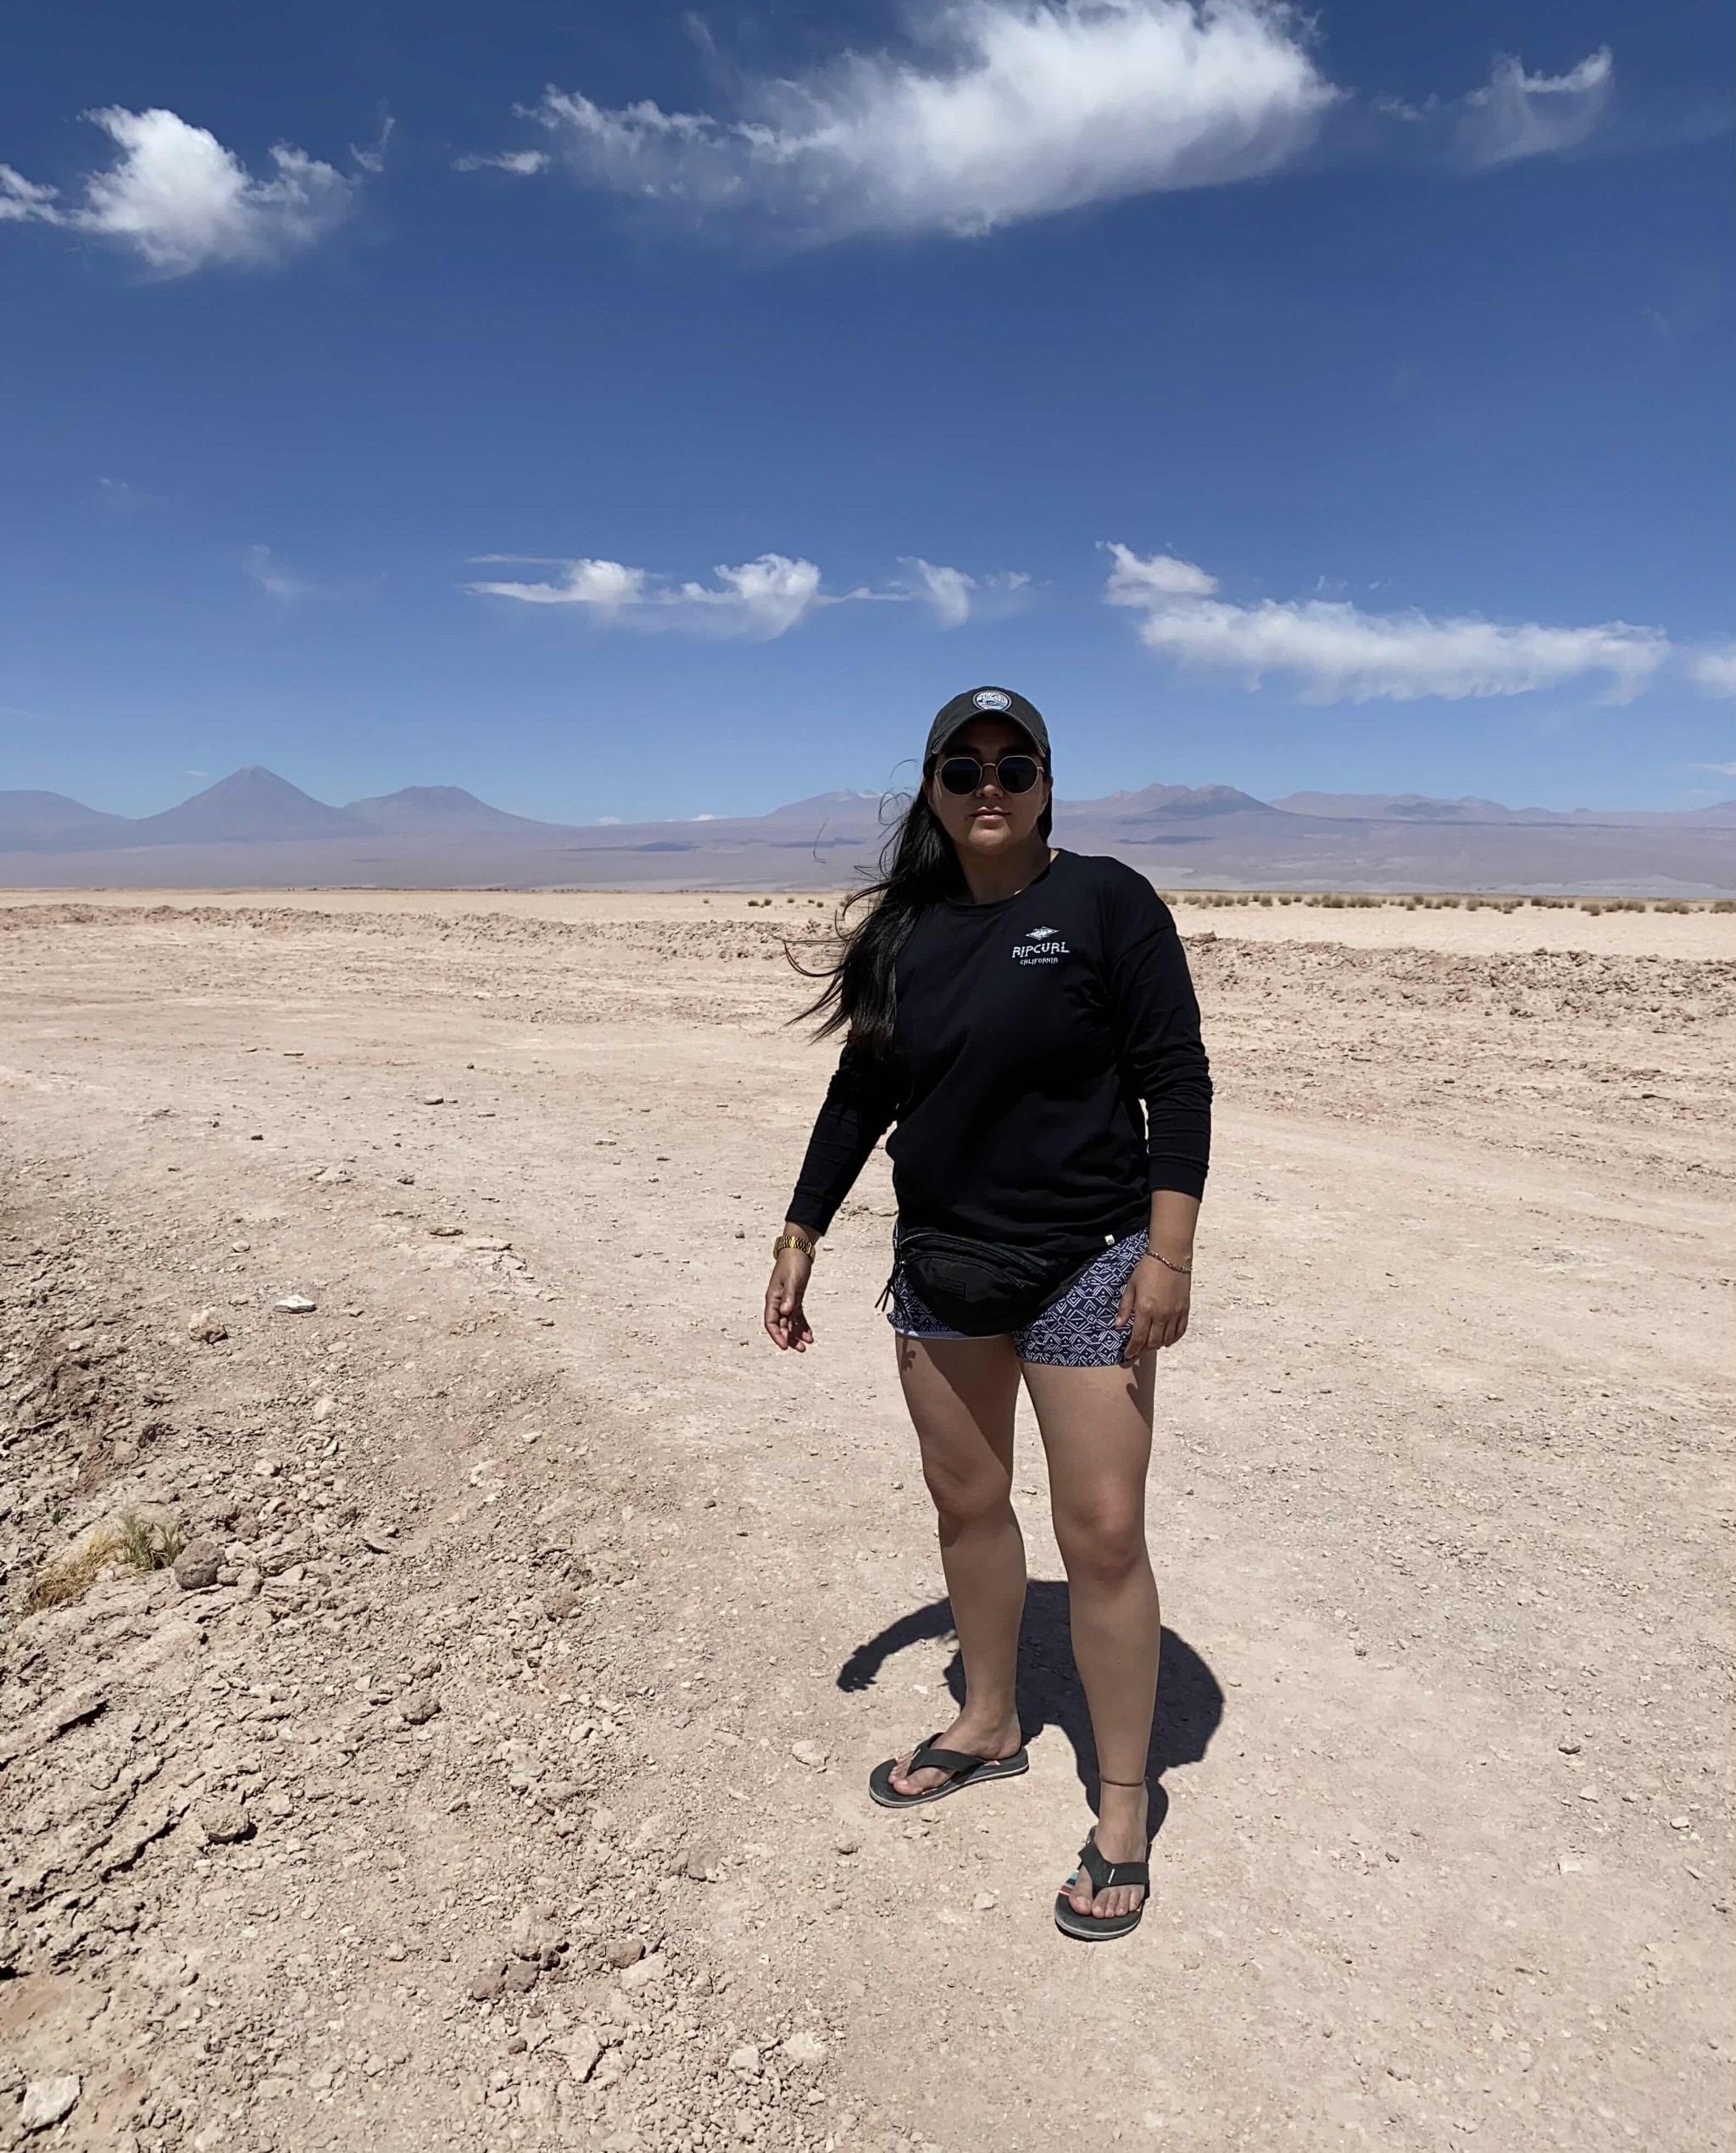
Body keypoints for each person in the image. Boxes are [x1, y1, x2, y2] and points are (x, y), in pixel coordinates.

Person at [763, 686, 1211, 1942]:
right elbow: (861, 1093)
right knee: (967, 1505)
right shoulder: (905, 932)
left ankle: (1122, 1805)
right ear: (934, 790)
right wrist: (799, 1232)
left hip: (1089, 1263)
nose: (990, 785)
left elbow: (1176, 1077)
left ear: (1049, 782)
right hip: (945, 1268)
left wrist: (1168, 1255)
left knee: (1103, 1534)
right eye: (963, 769)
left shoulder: (1106, 901)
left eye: (1015, 764)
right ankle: (991, 1719)